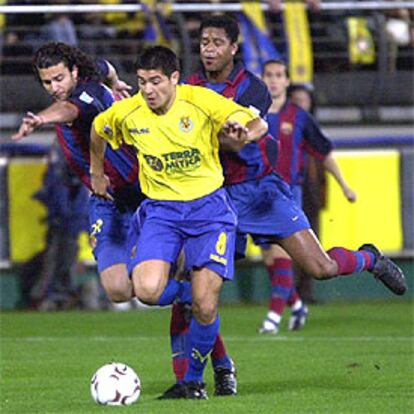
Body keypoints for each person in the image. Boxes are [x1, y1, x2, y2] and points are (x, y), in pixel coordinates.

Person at [159, 13, 405, 398]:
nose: (208, 49)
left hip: (261, 192)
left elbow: (246, 135)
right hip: (214, 199)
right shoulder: (187, 86)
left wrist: (221, 135)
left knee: (320, 267)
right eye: (204, 42)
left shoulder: (251, 88)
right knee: (193, 289)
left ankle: (369, 259)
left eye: (216, 43)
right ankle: (211, 371)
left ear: (233, 48)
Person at [89, 45, 268, 400]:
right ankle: (196, 295)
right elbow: (97, 130)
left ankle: (193, 381)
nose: (148, 90)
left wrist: (244, 131)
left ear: (174, 78)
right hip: (162, 212)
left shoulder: (201, 101)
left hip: (210, 212)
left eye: (155, 82)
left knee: (204, 306)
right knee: (147, 291)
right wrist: (97, 173)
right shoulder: (127, 113)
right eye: (141, 82)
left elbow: (258, 121)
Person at [11, 42, 147, 307]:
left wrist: (40, 119)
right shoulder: (90, 73)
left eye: (59, 79)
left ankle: (187, 290)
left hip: (141, 192)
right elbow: (105, 67)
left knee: (152, 286)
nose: (55, 87)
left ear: (74, 71)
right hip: (106, 199)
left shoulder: (87, 96)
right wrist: (117, 81)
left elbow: (69, 111)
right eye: (47, 82)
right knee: (118, 291)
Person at [259, 60, 358, 334]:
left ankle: (272, 318)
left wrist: (344, 185)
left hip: (288, 194)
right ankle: (298, 304)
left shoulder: (299, 117)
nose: (274, 80)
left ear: (287, 81)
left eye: (279, 75)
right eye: (269, 75)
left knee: (280, 254)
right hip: (257, 195)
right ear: (262, 78)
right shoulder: (253, 114)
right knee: (269, 260)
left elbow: (323, 151)